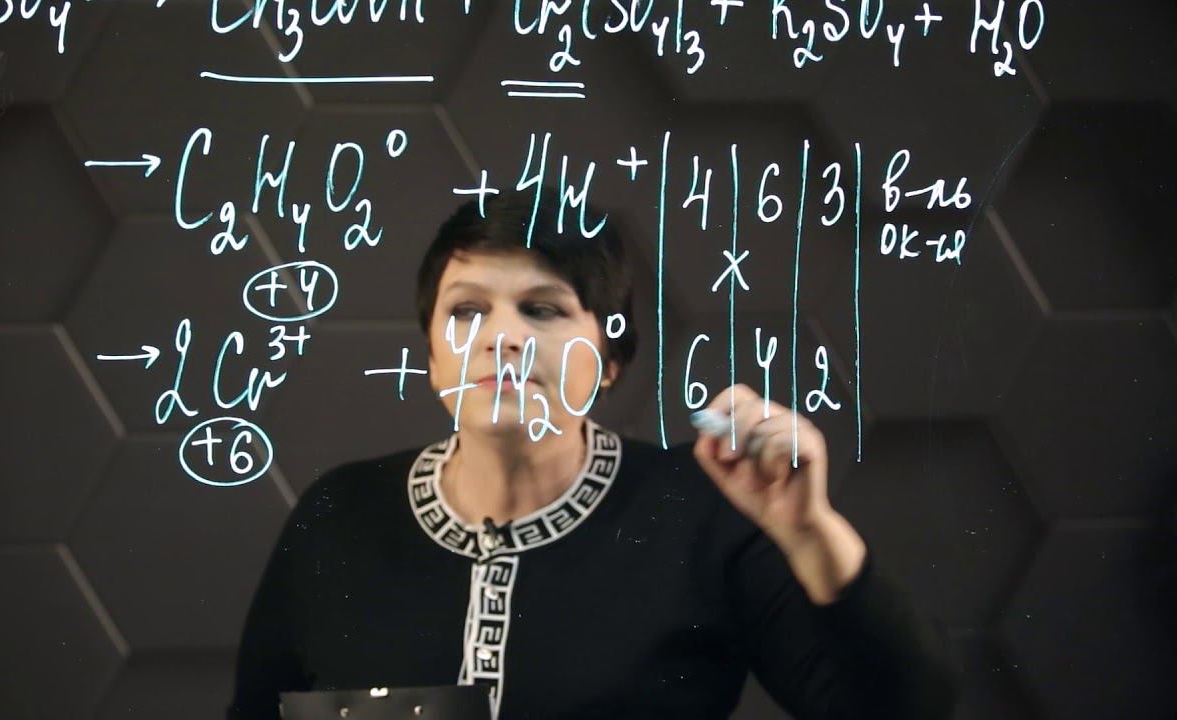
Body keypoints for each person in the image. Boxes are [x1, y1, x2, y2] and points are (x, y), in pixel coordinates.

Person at [226, 189, 960, 719]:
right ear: (431, 359)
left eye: (542, 309)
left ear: (611, 360)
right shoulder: (337, 516)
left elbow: (906, 711)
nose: (501, 338)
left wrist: (810, 534)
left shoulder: (703, 512)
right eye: (467, 310)